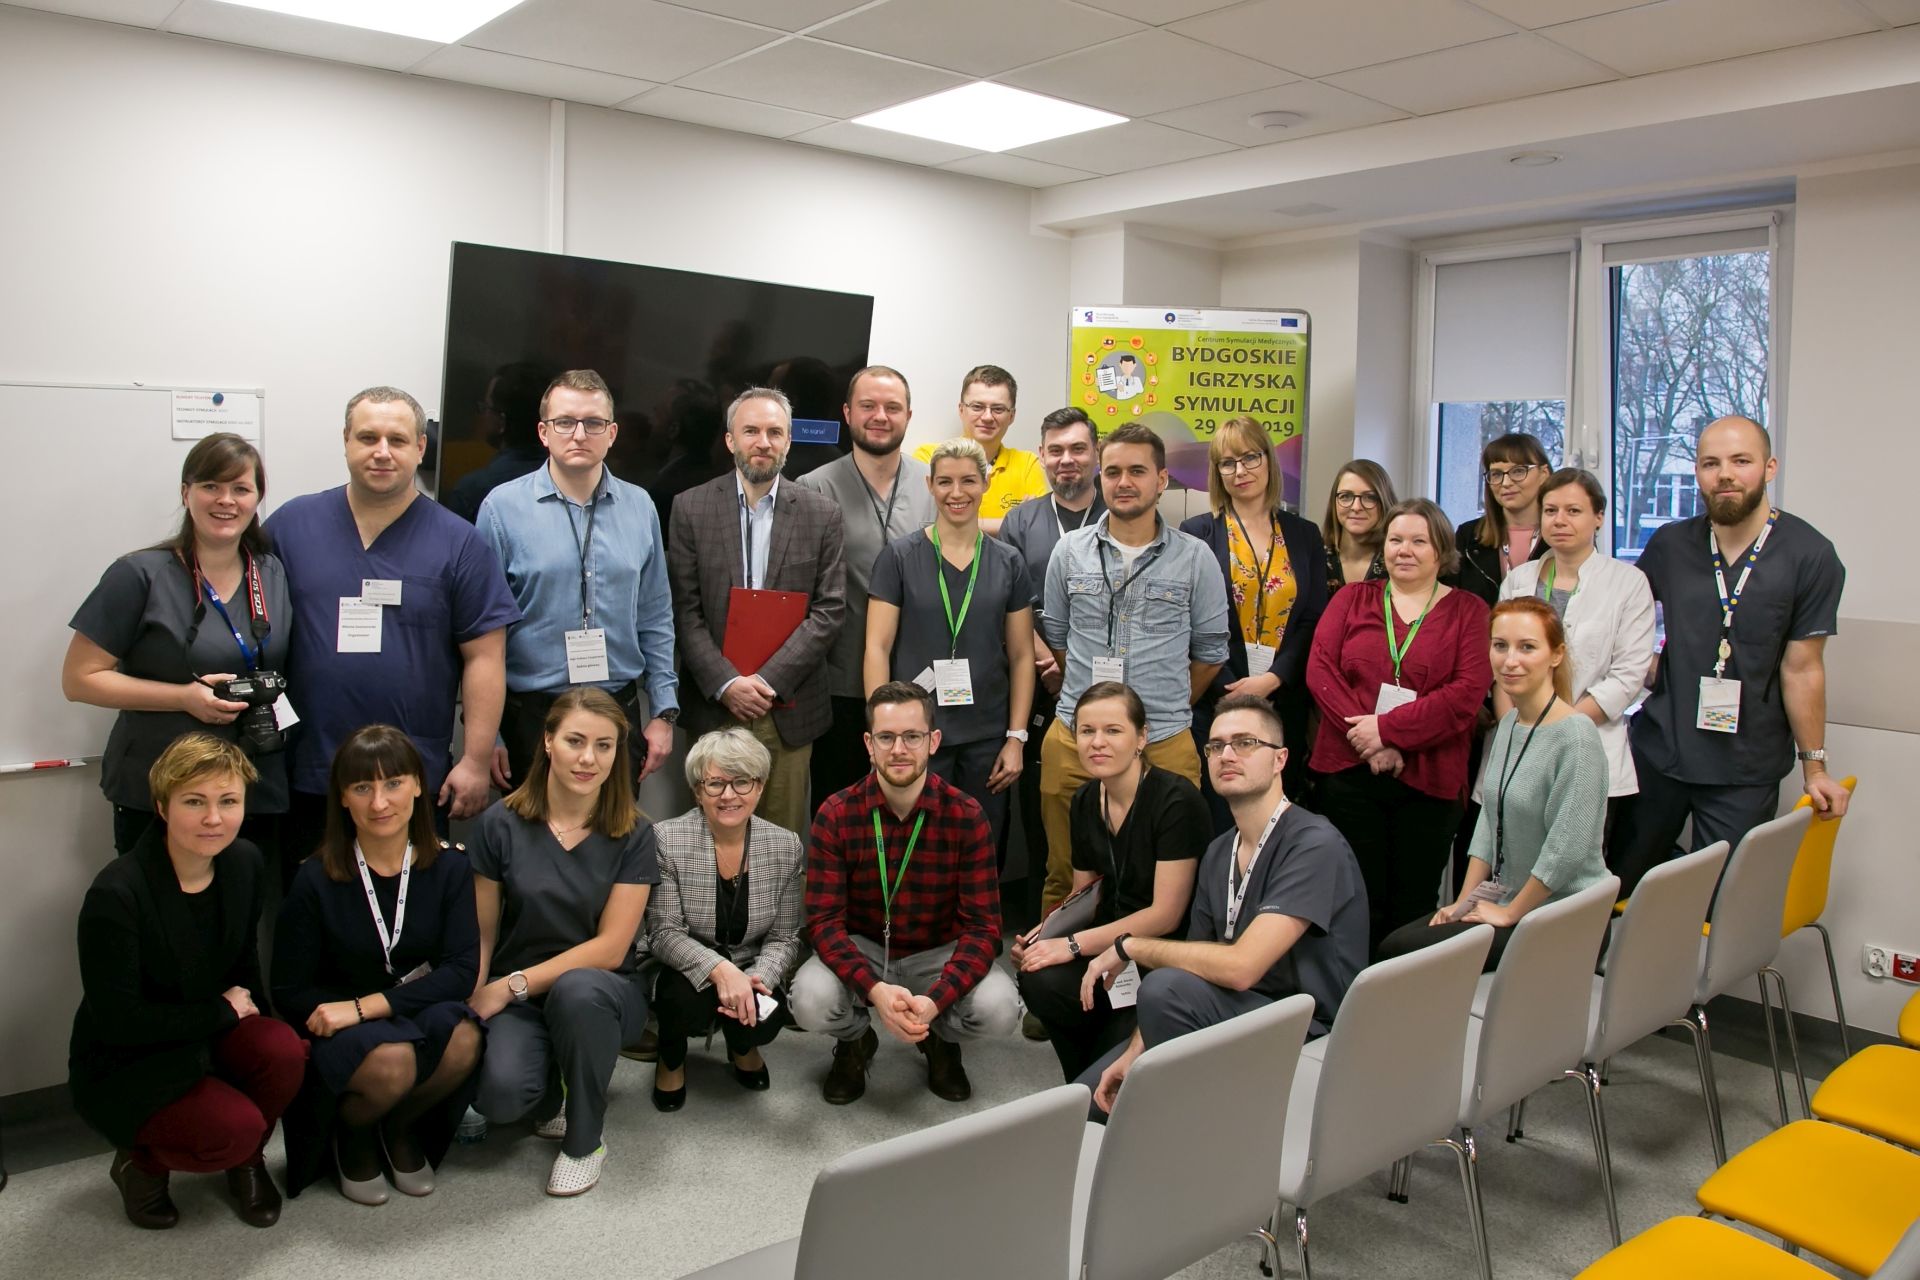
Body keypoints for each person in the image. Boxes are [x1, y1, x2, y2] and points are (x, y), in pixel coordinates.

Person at [1078, 695, 1367, 1121]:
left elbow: (1241, 968)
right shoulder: (1218, 852)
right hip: (1230, 1012)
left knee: (1162, 989)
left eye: (1246, 743)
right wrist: (1138, 1047)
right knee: (1081, 1103)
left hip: (1305, 1028)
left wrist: (1130, 946)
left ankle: (1192, 1132)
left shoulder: (1313, 844)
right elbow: (1193, 965)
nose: (1227, 755)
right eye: (1216, 746)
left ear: (1280, 759)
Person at [265, 386, 520, 858]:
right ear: (346, 441)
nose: (382, 452)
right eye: (368, 437)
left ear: (420, 447)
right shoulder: (290, 526)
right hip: (310, 767)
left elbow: (485, 657)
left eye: (397, 440)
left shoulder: (459, 543)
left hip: (413, 775)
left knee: (408, 897)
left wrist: (475, 759)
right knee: (308, 893)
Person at [70, 734, 305, 1230]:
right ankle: (141, 1164)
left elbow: (243, 964)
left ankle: (247, 1162)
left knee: (285, 1050)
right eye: (194, 802)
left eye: (229, 801)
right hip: (133, 1059)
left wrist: (256, 1039)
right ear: (162, 807)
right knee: (232, 1128)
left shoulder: (244, 862)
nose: (213, 818)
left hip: (208, 1029)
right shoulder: (117, 892)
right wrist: (222, 1013)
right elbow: (119, 1022)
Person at [1612, 415, 1850, 895]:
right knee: (1616, 886)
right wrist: (1647, 669)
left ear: (1769, 468)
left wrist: (1816, 767)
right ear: (1698, 473)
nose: (1725, 474)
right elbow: (1619, 622)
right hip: (1659, 753)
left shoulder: (1810, 555)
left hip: (1744, 768)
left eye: (1741, 461)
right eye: (1710, 463)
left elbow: (1803, 669)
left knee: (1718, 902)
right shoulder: (1670, 544)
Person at [270, 726, 482, 1205]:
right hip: (343, 1025)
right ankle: (356, 1132)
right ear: (343, 798)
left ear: (418, 786)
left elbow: (461, 971)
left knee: (465, 1037)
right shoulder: (314, 877)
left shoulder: (450, 866)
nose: (380, 802)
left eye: (393, 783)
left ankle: (399, 1125)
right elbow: (288, 989)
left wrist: (370, 1006)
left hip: (401, 1007)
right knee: (393, 1060)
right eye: (362, 787)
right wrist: (348, 1013)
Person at [65, 433, 293, 862]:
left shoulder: (271, 573)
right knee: (160, 902)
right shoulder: (139, 574)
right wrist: (183, 698)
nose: (226, 500)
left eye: (241, 489)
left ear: (257, 498)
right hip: (161, 786)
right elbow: (79, 680)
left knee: (245, 900)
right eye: (211, 486)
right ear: (186, 493)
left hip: (250, 785)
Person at [468, 687, 658, 1197]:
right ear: (548, 741)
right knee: (501, 1098)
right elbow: (483, 931)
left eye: (604, 745)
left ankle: (584, 1141)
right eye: (575, 741)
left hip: (603, 993)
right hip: (520, 997)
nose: (588, 758)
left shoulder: (634, 834)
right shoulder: (498, 824)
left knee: (577, 990)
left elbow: (611, 949)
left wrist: (510, 985)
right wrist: (473, 999)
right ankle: (554, 1086)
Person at [791, 682, 1020, 1105]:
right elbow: (823, 924)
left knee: (1000, 1009)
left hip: (938, 953)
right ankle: (856, 1040)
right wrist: (874, 991)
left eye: (912, 736)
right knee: (809, 1001)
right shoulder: (836, 814)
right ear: (869, 744)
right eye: (886, 737)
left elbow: (985, 929)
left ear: (933, 741)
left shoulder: (966, 816)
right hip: (865, 948)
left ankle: (937, 1036)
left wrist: (936, 1001)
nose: (899, 749)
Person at [1039, 423, 1229, 912]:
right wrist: (1098, 710)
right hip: (1074, 739)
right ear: (1100, 477)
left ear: (1161, 479)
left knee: (1165, 886)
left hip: (1163, 741)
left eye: (1138, 471)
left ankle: (1146, 966)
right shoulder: (1069, 552)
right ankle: (1052, 962)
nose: (1124, 482)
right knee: (1065, 877)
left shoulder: (1195, 558)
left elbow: (1211, 652)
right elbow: (1057, 636)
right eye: (1113, 471)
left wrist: (1157, 708)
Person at [1377, 599, 1610, 967]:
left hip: (1567, 914)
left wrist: (1509, 912)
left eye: (1527, 647)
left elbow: (1566, 851)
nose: (1509, 660)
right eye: (1500, 645)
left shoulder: (1577, 737)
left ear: (1556, 655)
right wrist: (1464, 902)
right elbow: (1490, 821)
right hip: (1512, 901)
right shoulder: (1509, 725)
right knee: (1395, 945)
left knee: (1405, 955)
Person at [477, 369, 679, 788]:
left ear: (612, 433)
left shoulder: (640, 507)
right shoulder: (501, 509)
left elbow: (656, 615)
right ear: (543, 432)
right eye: (565, 422)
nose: (579, 434)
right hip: (531, 716)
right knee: (531, 831)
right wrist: (486, 732)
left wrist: (663, 712)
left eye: (594, 423)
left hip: (617, 712)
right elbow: (482, 632)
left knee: (614, 829)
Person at [1306, 499, 1492, 948]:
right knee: (1353, 899)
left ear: (1440, 550)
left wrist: (1388, 732)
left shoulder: (1470, 611)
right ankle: (1350, 990)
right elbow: (1320, 671)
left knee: (1412, 906)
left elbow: (1466, 694)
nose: (1404, 550)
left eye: (1418, 541)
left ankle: (1401, 990)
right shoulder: (1352, 599)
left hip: (1428, 780)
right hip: (1349, 774)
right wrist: (1368, 738)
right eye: (1395, 540)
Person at [668, 386, 848, 836]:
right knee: (709, 839)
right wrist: (727, 683)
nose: (763, 442)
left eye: (774, 432)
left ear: (788, 441)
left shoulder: (821, 514)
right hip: (715, 704)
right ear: (730, 439)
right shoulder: (690, 508)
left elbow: (829, 610)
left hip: (786, 708)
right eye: (751, 431)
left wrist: (767, 683)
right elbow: (685, 610)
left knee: (779, 842)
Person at [1015, 682, 1204, 1081]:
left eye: (1113, 730)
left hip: (1161, 953)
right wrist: (1045, 936)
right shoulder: (1085, 799)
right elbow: (1085, 896)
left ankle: (1094, 1078)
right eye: (1087, 731)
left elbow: (1167, 916)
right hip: (1107, 941)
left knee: (1110, 1059)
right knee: (1037, 976)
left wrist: (1071, 944)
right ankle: (1081, 1080)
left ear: (1141, 737)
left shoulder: (1176, 800)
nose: (1097, 742)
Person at [866, 436, 1035, 848]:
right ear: (930, 485)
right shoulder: (899, 557)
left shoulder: (1008, 561)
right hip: (914, 735)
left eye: (968, 481)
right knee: (916, 849)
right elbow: (876, 648)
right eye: (945, 482)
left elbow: (1021, 655)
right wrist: (883, 735)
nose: (956, 493)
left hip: (987, 738)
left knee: (981, 848)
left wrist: (1016, 738)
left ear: (986, 483)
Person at [638, 727, 805, 1111]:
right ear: (698, 791)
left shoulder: (786, 845)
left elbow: (784, 937)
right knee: (682, 1001)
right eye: (715, 784)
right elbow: (664, 933)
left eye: (742, 782)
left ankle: (741, 1046)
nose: (729, 795)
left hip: (750, 964)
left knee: (767, 1015)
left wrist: (757, 979)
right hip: (681, 966)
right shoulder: (666, 839)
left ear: (760, 787)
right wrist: (721, 971)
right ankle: (671, 1055)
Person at [796, 366, 935, 802]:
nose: (880, 416)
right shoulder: (813, 489)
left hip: (921, 685)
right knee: (841, 808)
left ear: (908, 415)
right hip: (840, 687)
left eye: (892, 407)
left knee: (915, 811)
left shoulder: (934, 485)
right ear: (847, 413)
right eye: (868, 406)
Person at [1498, 469, 1655, 843]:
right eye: (1551, 510)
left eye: (1573, 511)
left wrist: (1554, 728)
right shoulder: (1519, 579)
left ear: (1598, 517)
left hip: (1588, 741)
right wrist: (1512, 728)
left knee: (1571, 862)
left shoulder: (1627, 583)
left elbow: (1628, 676)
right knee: (1511, 857)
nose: (1559, 520)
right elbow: (1501, 662)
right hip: (1518, 744)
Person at [1181, 416, 1329, 809]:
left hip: (1284, 699)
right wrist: (1234, 689)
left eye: (1250, 457)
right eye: (1227, 463)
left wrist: (1273, 678)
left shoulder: (1305, 534)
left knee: (1276, 814)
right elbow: (1191, 621)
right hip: (1217, 699)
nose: (1240, 471)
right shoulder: (1196, 533)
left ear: (1268, 460)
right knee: (1219, 816)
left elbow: (1313, 619)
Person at [912, 365, 1046, 534]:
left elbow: (1035, 527)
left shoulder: (1027, 464)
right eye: (977, 407)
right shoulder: (929, 457)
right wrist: (1013, 523)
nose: (988, 417)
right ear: (961, 410)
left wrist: (956, 522)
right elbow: (924, 522)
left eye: (998, 409)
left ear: (1011, 416)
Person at [443, 360, 551, 524]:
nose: (482, 415)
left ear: (501, 422)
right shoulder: (568, 482)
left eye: (485, 408)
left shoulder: (472, 490)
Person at [1452, 433, 1552, 606]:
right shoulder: (1468, 536)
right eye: (1496, 474)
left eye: (1518, 471)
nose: (1505, 483)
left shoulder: (1562, 535)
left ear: (1543, 473)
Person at [1321, 458, 1397, 591]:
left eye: (1369, 497)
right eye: (1346, 496)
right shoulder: (1315, 557)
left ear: (1384, 502)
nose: (1356, 507)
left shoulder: (1400, 560)